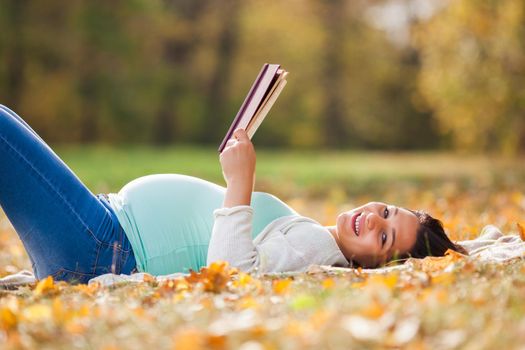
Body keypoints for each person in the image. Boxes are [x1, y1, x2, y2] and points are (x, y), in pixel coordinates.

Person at [0, 105, 466, 284]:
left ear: (373, 267)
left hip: (102, 248)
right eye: (386, 211)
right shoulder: (313, 235)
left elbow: (236, 274)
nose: (373, 219)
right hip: (103, 225)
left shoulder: (315, 251)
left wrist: (240, 185)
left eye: (384, 237)